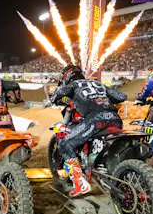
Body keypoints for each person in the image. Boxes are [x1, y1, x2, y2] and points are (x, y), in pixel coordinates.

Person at [49, 65, 127, 197]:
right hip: (115, 119)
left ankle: (80, 184)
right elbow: (122, 96)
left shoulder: (74, 85)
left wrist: (55, 98)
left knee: (65, 143)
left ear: (67, 77)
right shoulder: (99, 84)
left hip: (95, 120)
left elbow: (57, 95)